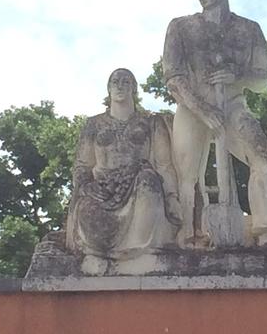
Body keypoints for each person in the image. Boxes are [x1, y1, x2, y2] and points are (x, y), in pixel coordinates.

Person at [163, 0, 267, 246]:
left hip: (233, 106)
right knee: (186, 176)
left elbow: (263, 78)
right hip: (193, 107)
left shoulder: (248, 29)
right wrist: (202, 109)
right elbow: (173, 78)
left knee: (263, 159)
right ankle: (187, 237)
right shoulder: (181, 27)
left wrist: (238, 77)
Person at [66, 68, 181, 275]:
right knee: (85, 205)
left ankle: (137, 254)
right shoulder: (93, 124)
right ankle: (98, 253)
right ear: (108, 89)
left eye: (126, 82)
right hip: (101, 190)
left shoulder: (151, 122)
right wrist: (87, 185)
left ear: (134, 89)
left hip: (137, 184)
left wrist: (172, 197)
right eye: (115, 82)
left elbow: (164, 165)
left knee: (149, 182)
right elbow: (82, 165)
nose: (120, 86)